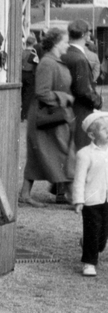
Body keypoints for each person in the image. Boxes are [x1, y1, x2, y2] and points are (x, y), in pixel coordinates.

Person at [21, 27, 75, 206]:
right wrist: (65, 98)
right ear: (56, 43)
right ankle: (71, 196)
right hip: (46, 116)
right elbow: (42, 92)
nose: (68, 45)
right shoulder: (47, 63)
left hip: (51, 115)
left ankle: (25, 194)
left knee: (42, 156)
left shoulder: (54, 61)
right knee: (60, 154)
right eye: (65, 41)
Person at [73, 110, 108, 277]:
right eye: (104, 129)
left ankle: (90, 244)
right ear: (92, 135)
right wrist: (79, 200)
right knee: (92, 231)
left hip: (106, 199)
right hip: (91, 200)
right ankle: (89, 263)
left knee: (102, 237)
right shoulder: (84, 154)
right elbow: (79, 179)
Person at [65, 19, 103, 150]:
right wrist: (98, 101)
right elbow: (83, 90)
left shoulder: (65, 53)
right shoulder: (79, 58)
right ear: (85, 35)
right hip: (80, 111)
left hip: (68, 109)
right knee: (81, 148)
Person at [21, 34, 39, 121]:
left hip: (21, 74)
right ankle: (24, 114)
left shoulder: (22, 52)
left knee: (22, 94)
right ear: (33, 43)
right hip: (30, 75)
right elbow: (37, 65)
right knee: (28, 95)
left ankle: (22, 112)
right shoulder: (33, 54)